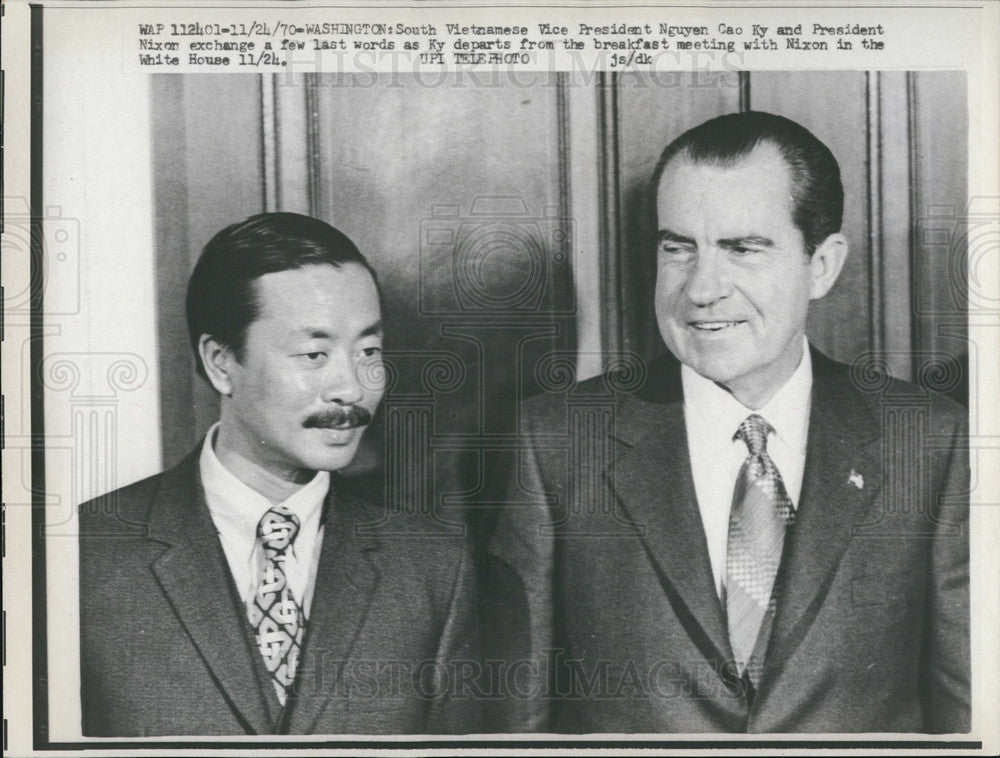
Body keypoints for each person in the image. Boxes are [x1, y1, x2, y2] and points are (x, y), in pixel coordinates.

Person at [486, 112, 970, 733]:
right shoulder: (557, 441)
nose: (701, 288)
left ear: (821, 265)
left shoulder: (928, 440)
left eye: (742, 249)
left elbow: (968, 713)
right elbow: (515, 726)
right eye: (678, 248)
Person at [79, 213, 480, 736]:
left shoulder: (432, 569)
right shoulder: (83, 555)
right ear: (222, 363)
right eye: (315, 354)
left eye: (369, 351)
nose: (353, 389)